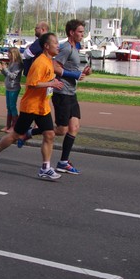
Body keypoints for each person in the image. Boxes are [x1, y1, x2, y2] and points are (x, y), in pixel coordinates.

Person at [0, 32, 65, 180]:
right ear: (47, 46)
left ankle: (45, 168)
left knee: (49, 134)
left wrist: (53, 83)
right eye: (55, 43)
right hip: (31, 106)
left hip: (43, 107)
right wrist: (51, 84)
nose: (58, 45)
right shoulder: (40, 62)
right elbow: (32, 84)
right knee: (16, 135)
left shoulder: (49, 61)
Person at [50, 19, 92, 175]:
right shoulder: (66, 48)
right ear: (71, 32)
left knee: (74, 127)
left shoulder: (76, 48)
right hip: (62, 93)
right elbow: (54, 66)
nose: (82, 34)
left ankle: (63, 162)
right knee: (62, 130)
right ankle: (29, 132)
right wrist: (73, 75)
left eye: (82, 32)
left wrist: (83, 72)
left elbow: (72, 69)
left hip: (72, 93)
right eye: (80, 32)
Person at [0, 46, 22, 132]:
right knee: (9, 107)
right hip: (8, 87)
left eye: (9, 53)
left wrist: (5, 68)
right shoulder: (11, 63)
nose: (8, 55)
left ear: (14, 54)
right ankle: (8, 125)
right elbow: (7, 75)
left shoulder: (17, 64)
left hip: (14, 88)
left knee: (12, 106)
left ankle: (14, 126)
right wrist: (2, 70)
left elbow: (12, 76)